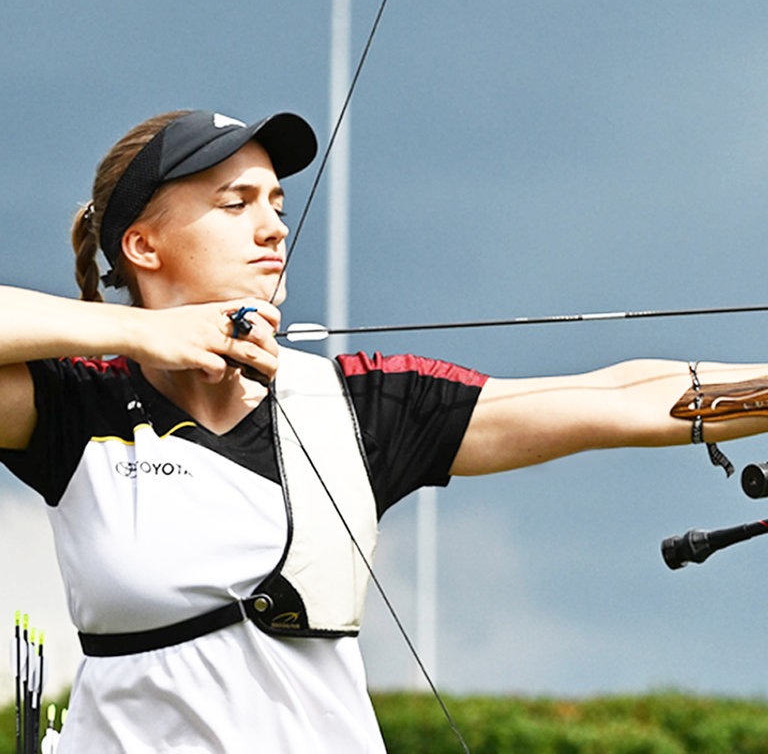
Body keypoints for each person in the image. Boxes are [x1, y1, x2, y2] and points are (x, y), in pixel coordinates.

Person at [1, 108, 768, 753]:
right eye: (236, 204)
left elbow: (622, 398)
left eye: (277, 203)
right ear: (142, 245)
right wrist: (137, 335)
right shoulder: (76, 409)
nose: (272, 227)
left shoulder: (354, 404)